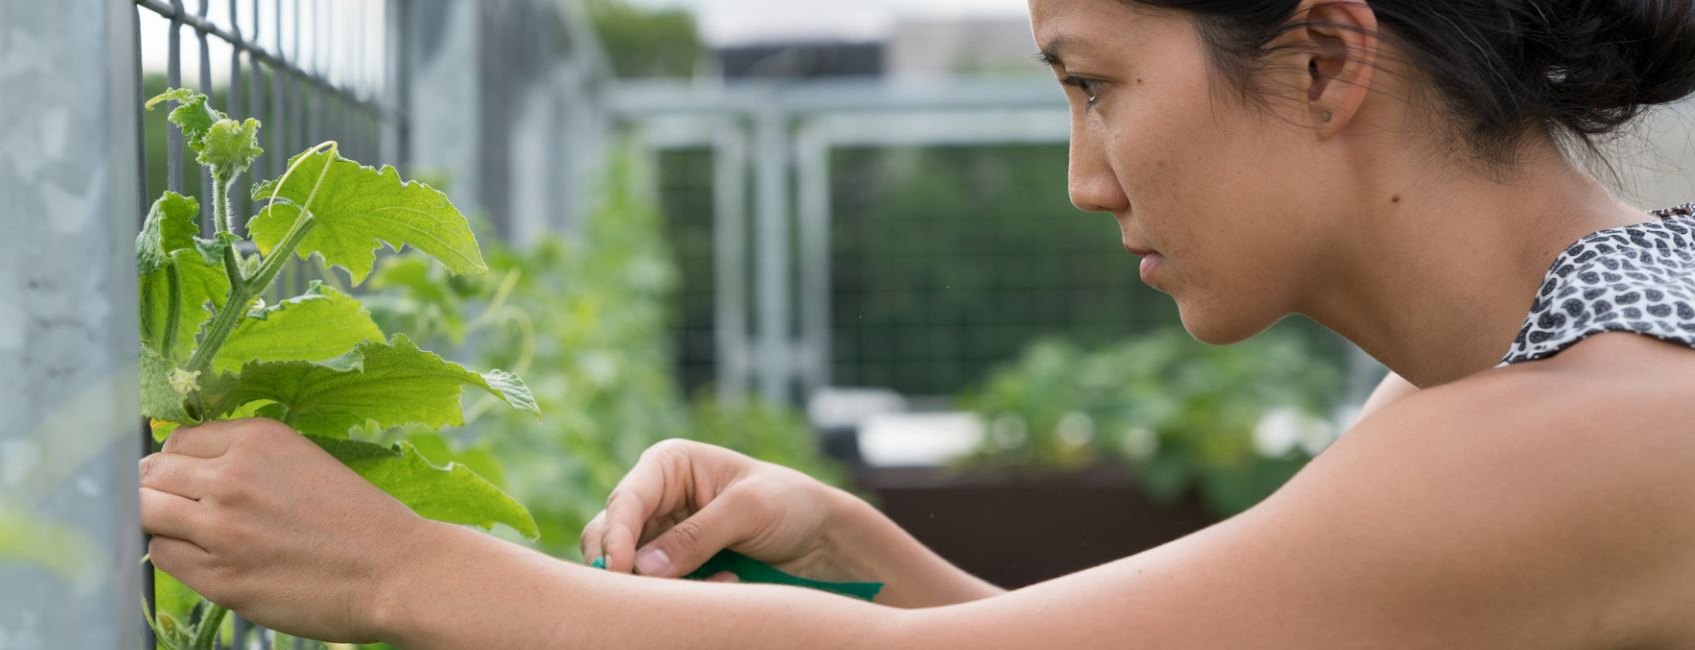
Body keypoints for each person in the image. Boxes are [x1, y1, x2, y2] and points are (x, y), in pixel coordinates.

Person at [138, 0, 1695, 646]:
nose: (1088, 178)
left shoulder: (1594, 425)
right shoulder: (1533, 373)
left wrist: (396, 564)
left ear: (1325, 59)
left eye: (1097, 82)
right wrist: (875, 557)